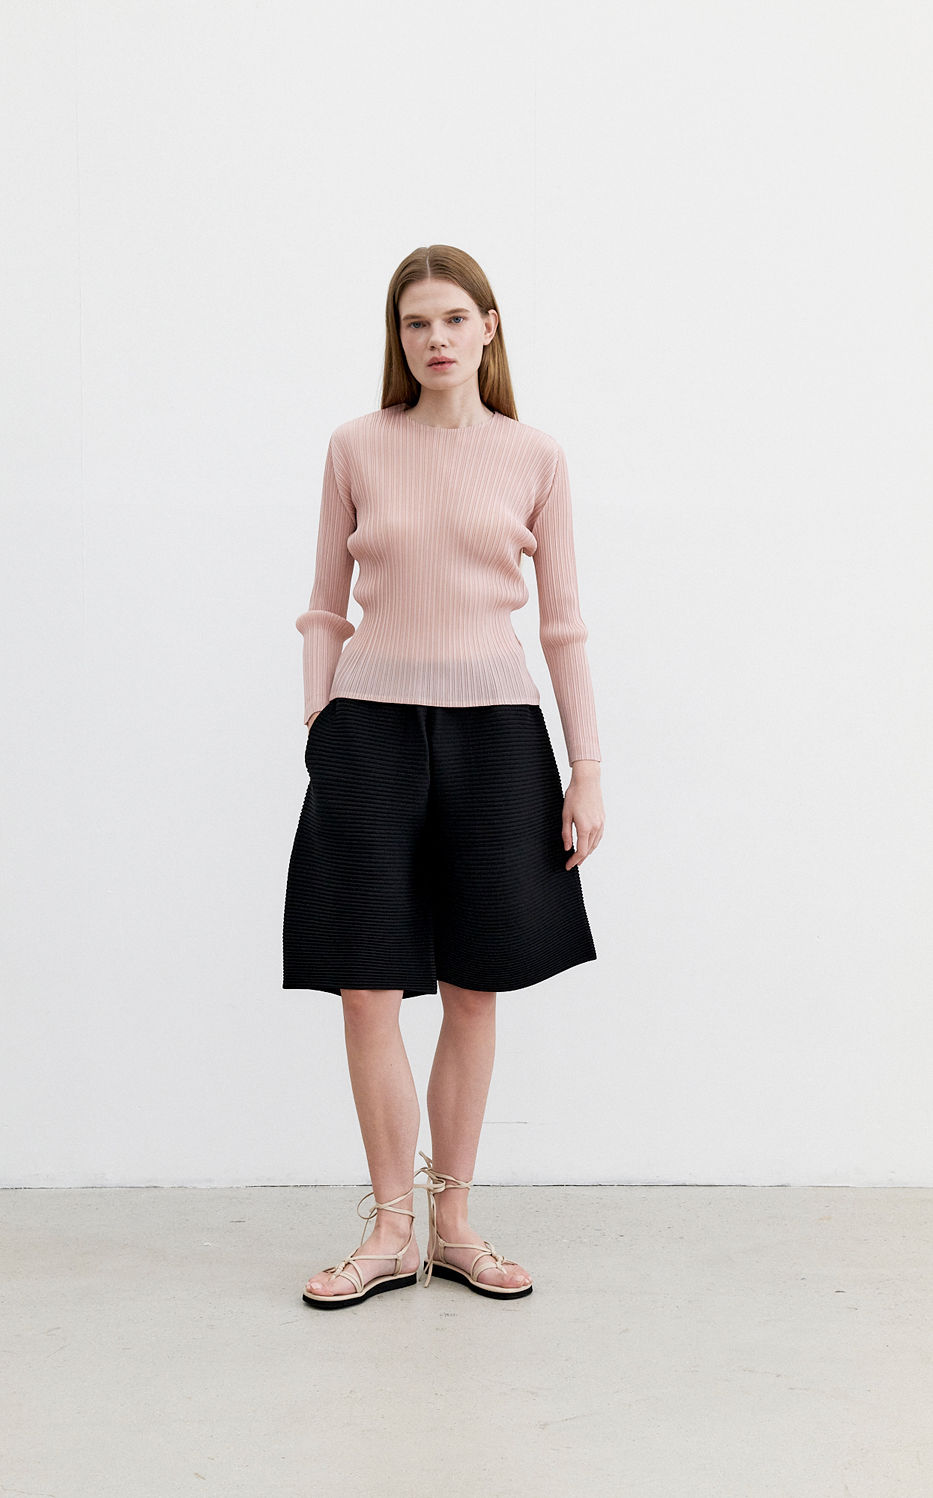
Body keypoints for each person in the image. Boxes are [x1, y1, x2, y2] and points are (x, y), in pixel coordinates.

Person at [284, 245, 605, 1308]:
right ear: (399, 336)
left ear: (489, 328)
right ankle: (388, 1231)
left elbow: (563, 625)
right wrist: (320, 723)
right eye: (416, 322)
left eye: (454, 319)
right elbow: (324, 603)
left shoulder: (535, 456)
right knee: (366, 985)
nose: (435, 339)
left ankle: (454, 1227)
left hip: (499, 735)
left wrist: (586, 767)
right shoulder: (355, 446)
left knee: (475, 983)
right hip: (367, 733)